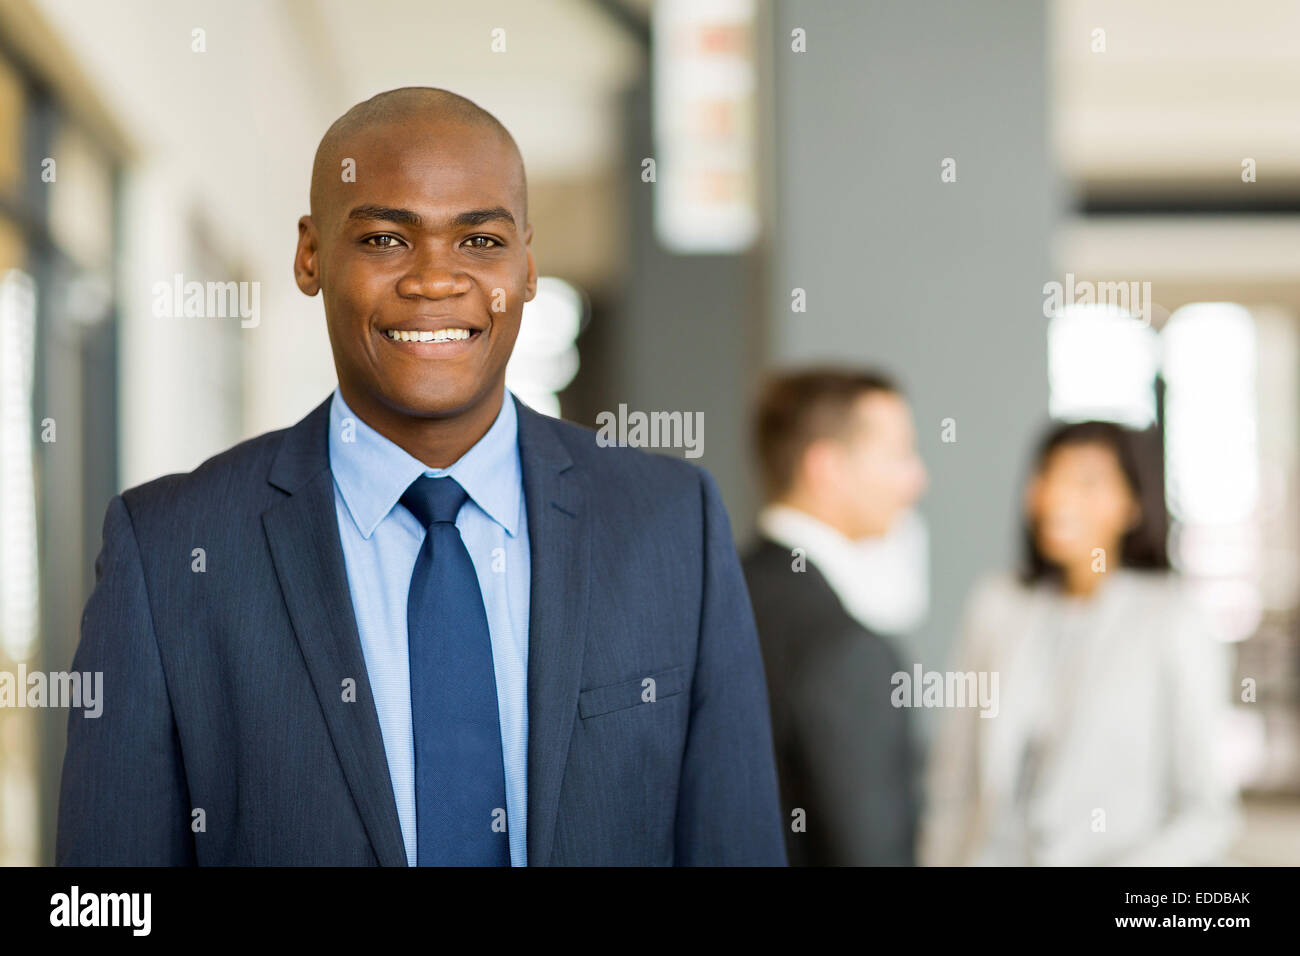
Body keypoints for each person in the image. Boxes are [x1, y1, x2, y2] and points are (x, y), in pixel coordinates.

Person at [56, 87, 786, 866]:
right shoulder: (169, 549)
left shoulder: (671, 524)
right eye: (383, 240)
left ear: (529, 266)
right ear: (311, 254)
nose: (435, 281)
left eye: (480, 243)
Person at [921, 420, 1240, 866]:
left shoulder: (1172, 620)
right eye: (1048, 476)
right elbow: (952, 780)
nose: (1058, 497)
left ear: (1132, 504)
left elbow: (1207, 816)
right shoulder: (996, 607)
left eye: (1087, 482)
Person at [742, 368, 929, 865]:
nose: (916, 480)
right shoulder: (848, 648)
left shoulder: (710, 593)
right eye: (898, 455)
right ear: (826, 468)